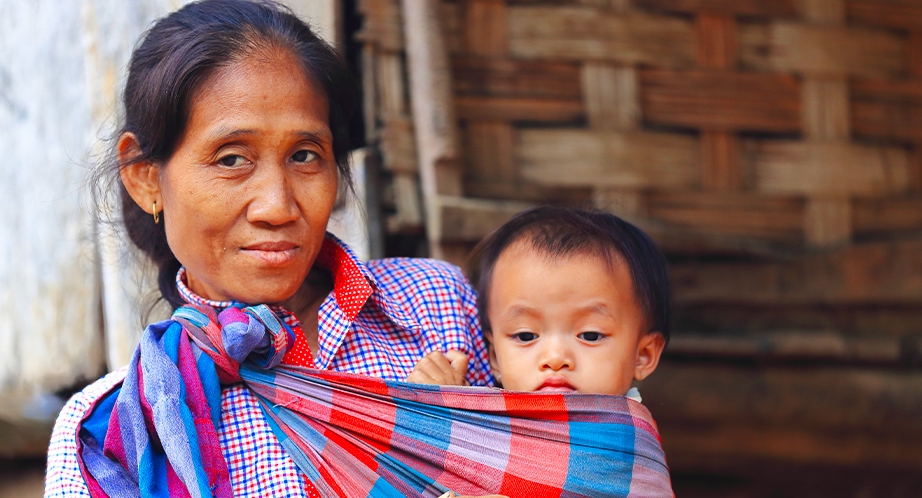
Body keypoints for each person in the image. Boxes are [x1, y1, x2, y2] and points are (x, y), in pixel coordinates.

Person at [45, 1, 493, 496]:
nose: (277, 206)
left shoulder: (435, 305)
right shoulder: (110, 427)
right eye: (232, 158)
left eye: (305, 156)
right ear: (146, 178)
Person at [408, 206, 669, 403]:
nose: (555, 359)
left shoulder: (622, 437)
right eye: (525, 335)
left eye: (590, 335)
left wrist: (448, 413)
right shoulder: (493, 425)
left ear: (642, 355)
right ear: (495, 356)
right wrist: (443, 403)